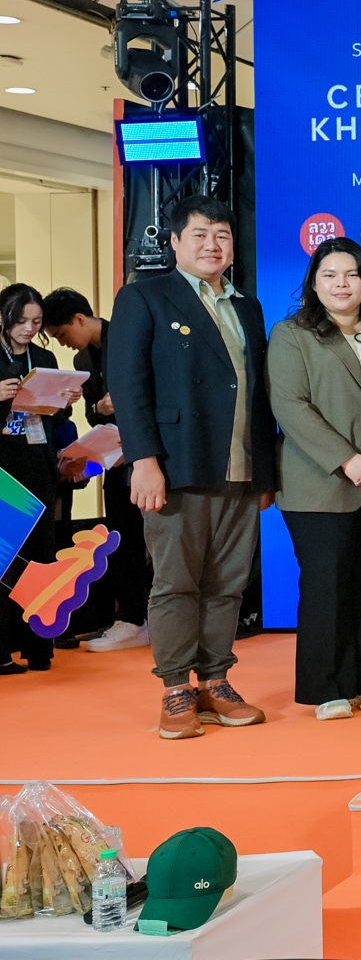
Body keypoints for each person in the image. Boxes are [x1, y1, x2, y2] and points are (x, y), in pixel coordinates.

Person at [107, 197, 278, 739]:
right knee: (176, 581)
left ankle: (215, 682)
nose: (212, 245)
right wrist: (144, 461)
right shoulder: (144, 296)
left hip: (240, 467)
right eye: (200, 234)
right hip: (177, 464)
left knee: (227, 583)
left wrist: (266, 472)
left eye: (222, 235)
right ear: (175, 242)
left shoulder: (247, 306)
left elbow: (258, 391)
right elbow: (128, 385)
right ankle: (176, 689)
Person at [267, 238, 361, 720]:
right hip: (317, 483)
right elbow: (290, 406)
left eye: (351, 274)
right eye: (329, 275)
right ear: (314, 283)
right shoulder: (292, 334)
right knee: (326, 586)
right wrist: (346, 459)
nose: (341, 284)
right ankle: (326, 688)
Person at [42, 287, 153, 654]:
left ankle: (155, 616)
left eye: (62, 334)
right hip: (114, 460)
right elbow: (93, 414)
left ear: (79, 319)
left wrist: (123, 407)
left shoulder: (129, 336)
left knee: (159, 538)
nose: (63, 343)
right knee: (122, 534)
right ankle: (132, 617)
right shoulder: (82, 361)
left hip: (149, 454)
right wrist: (100, 410)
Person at [0, 285, 81, 675]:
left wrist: (64, 401)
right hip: (4, 471)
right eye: (21, 321)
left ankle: (38, 647)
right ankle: (2, 649)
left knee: (41, 557)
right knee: (4, 560)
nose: (29, 329)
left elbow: (54, 419)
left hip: (39, 466)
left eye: (36, 322)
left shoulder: (44, 357)